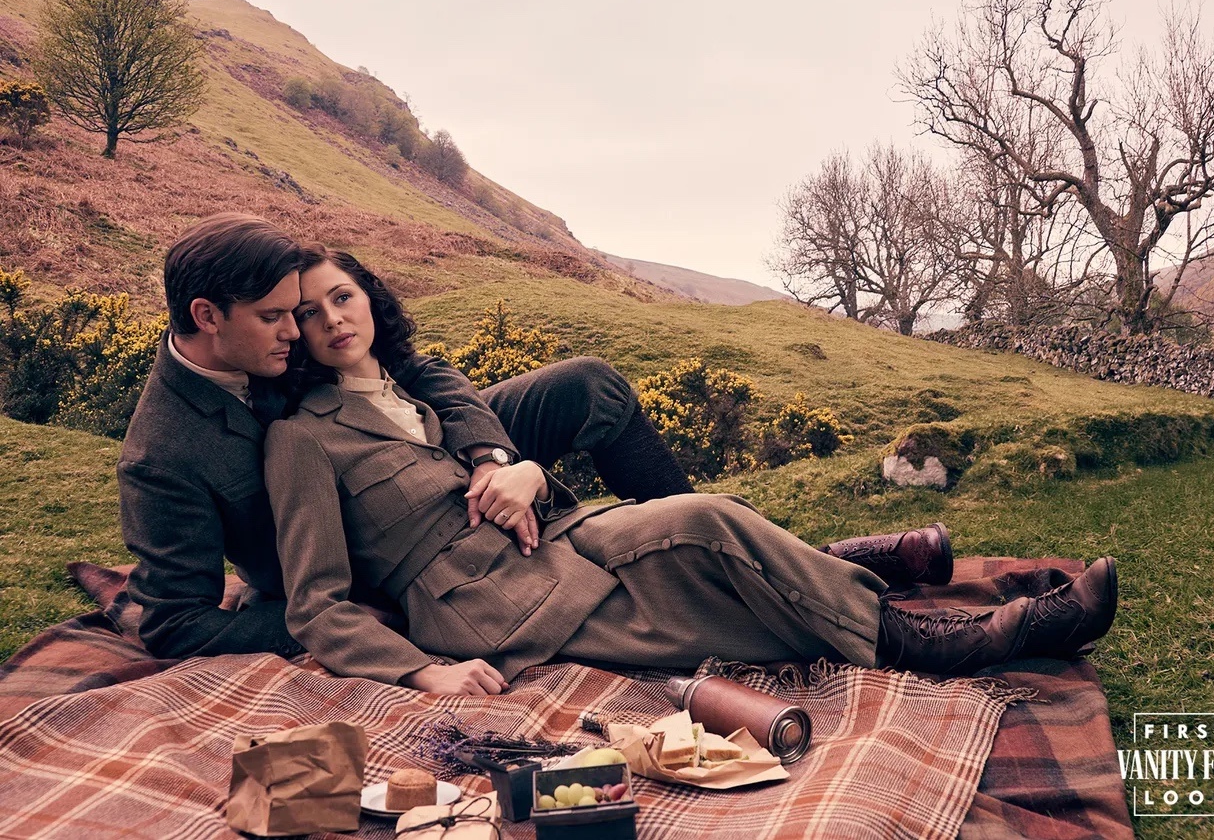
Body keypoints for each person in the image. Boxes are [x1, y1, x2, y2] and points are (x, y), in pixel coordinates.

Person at [264, 246, 1119, 695]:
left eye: (343, 296)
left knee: (714, 525)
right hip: (488, 605)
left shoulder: (416, 386)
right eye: (308, 312)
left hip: (558, 535)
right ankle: (961, 641)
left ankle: (920, 617)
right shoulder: (303, 437)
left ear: (370, 298)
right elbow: (316, 603)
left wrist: (523, 470)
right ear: (291, 333)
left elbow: (483, 444)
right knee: (721, 563)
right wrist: (425, 670)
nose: (332, 318)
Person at [119, 213, 953, 662]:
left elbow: (418, 371)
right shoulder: (165, 453)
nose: (297, 329)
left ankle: (742, 550)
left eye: (303, 309)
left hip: (415, 447)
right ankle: (798, 561)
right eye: (281, 317)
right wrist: (367, 616)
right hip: (374, 520)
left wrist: (499, 457)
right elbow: (175, 623)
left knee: (591, 387)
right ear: (208, 319)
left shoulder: (280, 326)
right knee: (683, 531)